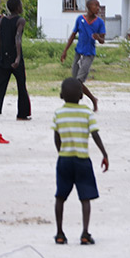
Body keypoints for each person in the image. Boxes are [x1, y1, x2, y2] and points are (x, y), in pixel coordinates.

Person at [52, 77, 109, 245]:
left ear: (61, 95)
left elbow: (57, 137)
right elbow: (95, 134)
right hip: (83, 161)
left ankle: (60, 233)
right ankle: (85, 233)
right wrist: (104, 153)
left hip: (64, 160)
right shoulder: (86, 113)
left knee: (60, 197)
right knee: (85, 198)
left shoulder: (58, 114)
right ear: (82, 96)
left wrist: (61, 152)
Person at [0, 0, 31, 121]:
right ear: (18, 7)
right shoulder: (20, 20)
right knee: (21, 86)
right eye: (21, 5)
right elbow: (18, 38)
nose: (22, 7)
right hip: (15, 56)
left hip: (3, 56)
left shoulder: (2, 20)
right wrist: (17, 57)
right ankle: (22, 114)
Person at [61, 0, 105, 111]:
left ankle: (92, 100)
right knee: (74, 80)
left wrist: (98, 37)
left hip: (89, 54)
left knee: (78, 81)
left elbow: (102, 40)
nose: (98, 8)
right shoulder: (80, 19)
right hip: (78, 53)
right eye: (96, 5)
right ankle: (86, 100)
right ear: (89, 7)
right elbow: (73, 35)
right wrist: (65, 51)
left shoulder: (99, 22)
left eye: (99, 6)